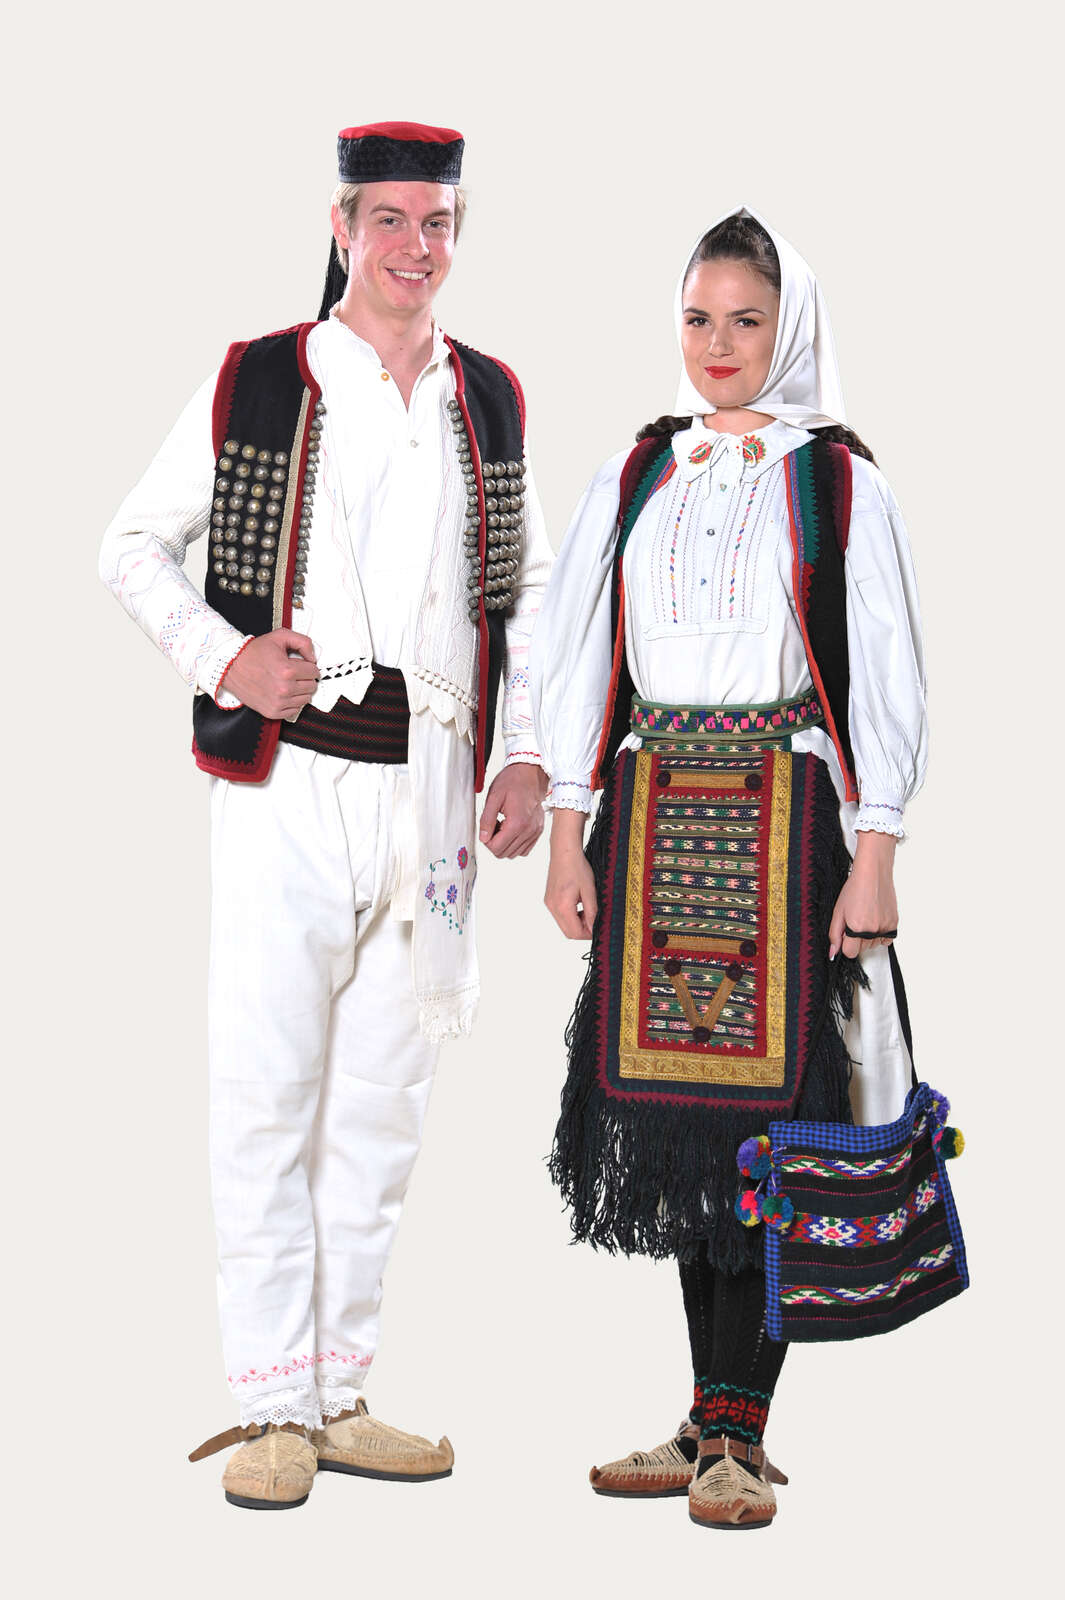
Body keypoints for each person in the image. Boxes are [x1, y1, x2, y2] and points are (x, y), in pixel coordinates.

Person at [100, 121, 552, 1510]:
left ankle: (340, 1392)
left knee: (381, 1108)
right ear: (342, 226)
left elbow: (524, 593)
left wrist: (525, 753)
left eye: (440, 222)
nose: (418, 248)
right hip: (291, 786)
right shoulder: (260, 375)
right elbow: (130, 545)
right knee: (266, 1092)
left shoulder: (489, 394)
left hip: (433, 795)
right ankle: (270, 1407)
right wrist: (224, 657)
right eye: (392, 220)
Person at [530, 207, 926, 1531]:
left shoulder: (836, 480)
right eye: (697, 318)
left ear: (788, 329)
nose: (717, 344)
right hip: (653, 817)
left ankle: (740, 1436)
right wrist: (572, 825)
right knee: (684, 1128)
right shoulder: (639, 468)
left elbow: (883, 664)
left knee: (768, 1128)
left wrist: (877, 846)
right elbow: (582, 649)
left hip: (787, 818)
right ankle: (707, 1421)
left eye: (745, 320)